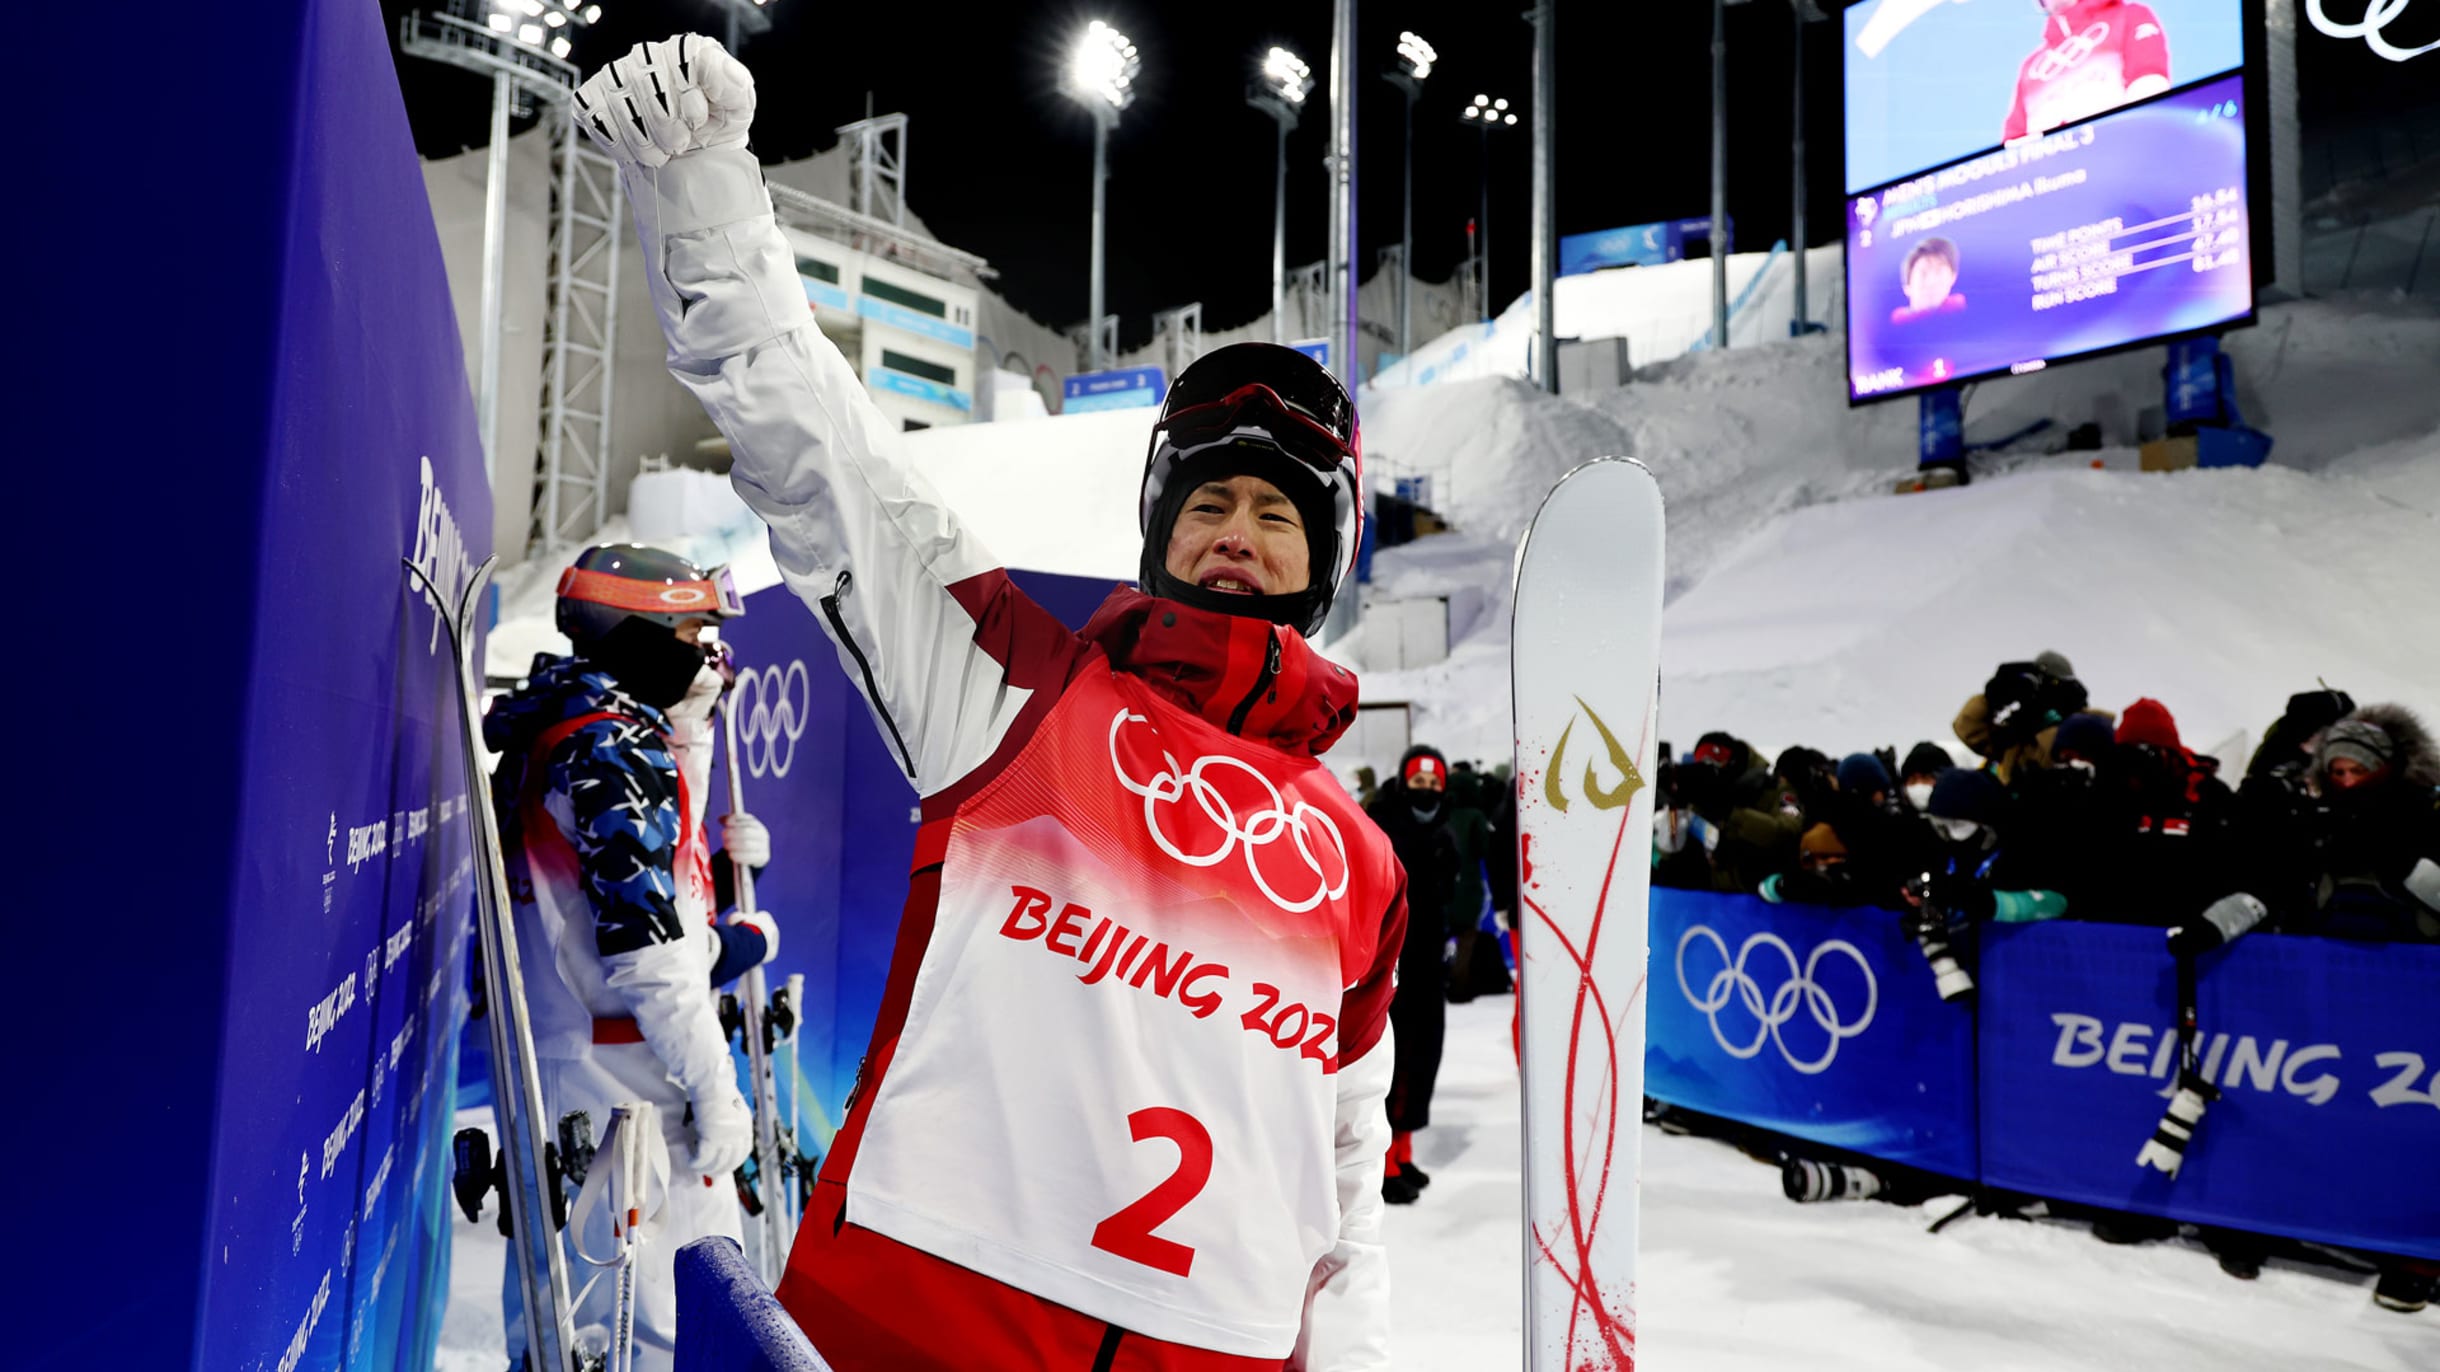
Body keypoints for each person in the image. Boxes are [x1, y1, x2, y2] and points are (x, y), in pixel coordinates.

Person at [578, 36, 1405, 1368]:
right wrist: (704, 198)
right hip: (913, 1333)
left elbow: (1348, 1160)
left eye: (1276, 513)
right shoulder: (1023, 691)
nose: (1237, 534)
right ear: (1161, 529)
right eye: (1208, 501)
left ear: (1328, 554)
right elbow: (832, 470)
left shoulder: (1360, 864)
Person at [484, 544, 780, 1372]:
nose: (705, 654)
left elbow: (639, 893)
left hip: (589, 1065)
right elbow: (650, 953)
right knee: (644, 1330)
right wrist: (717, 1092)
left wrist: (690, 742)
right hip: (629, 1085)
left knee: (580, 1322)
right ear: (635, 632)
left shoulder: (578, 726)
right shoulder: (612, 751)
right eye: (689, 634)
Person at [1366, 748, 1464, 1204]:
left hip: (1427, 962)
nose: (1426, 791)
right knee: (1394, 1061)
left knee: (1423, 1058)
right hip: (1391, 959)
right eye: (1418, 782)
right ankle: (1381, 1164)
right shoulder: (1382, 824)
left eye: (1433, 784)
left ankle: (1402, 1152)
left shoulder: (1444, 829)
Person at [1653, 731, 1805, 894]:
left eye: (1717, 760)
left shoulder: (1774, 786)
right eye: (1705, 762)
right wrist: (1675, 816)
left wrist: (1732, 813)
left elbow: (1787, 830)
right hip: (1714, 890)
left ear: (1735, 759)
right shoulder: (1703, 795)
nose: (1713, 769)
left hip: (1763, 884)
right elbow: (1671, 854)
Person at [2002, 0, 2171, 144]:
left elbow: (2150, 88)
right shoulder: (2031, 68)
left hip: (2119, 152)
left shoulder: (2129, 16)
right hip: (2056, 170)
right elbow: (2011, 148)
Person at [1952, 651, 2096, 785]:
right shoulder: (2019, 730)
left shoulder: (2075, 728)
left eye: (2051, 683)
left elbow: (2048, 758)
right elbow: (1970, 730)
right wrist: (1990, 698)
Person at [1890, 237, 1963, 323]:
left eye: (1938, 272)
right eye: (1923, 273)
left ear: (1953, 278)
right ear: (1907, 287)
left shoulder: (1964, 313)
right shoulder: (1893, 325)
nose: (1931, 282)